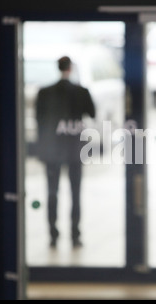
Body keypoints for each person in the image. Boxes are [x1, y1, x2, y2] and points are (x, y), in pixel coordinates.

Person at [35, 56, 95, 248]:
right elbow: (92, 113)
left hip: (53, 148)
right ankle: (75, 234)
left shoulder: (44, 93)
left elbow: (39, 120)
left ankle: (53, 234)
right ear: (70, 68)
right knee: (75, 192)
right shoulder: (81, 91)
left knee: (52, 192)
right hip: (74, 148)